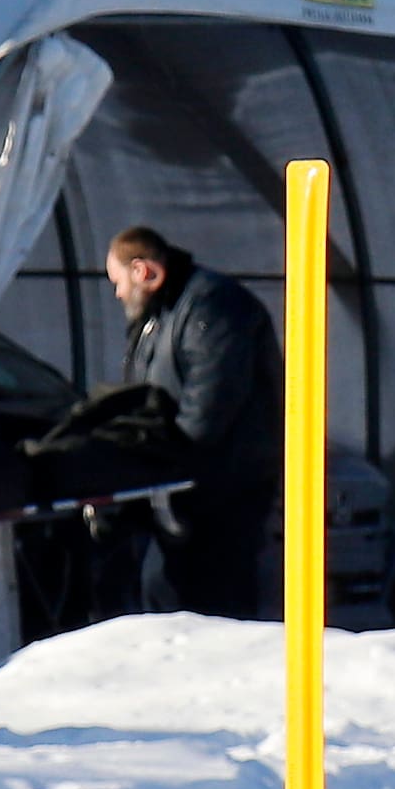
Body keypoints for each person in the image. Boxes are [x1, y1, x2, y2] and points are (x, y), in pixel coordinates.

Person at [104, 222, 281, 618]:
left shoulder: (211, 307)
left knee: (214, 600)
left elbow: (209, 401)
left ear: (144, 272)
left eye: (118, 281)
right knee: (168, 592)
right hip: (184, 483)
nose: (116, 293)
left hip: (220, 487)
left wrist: (167, 461)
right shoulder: (164, 312)